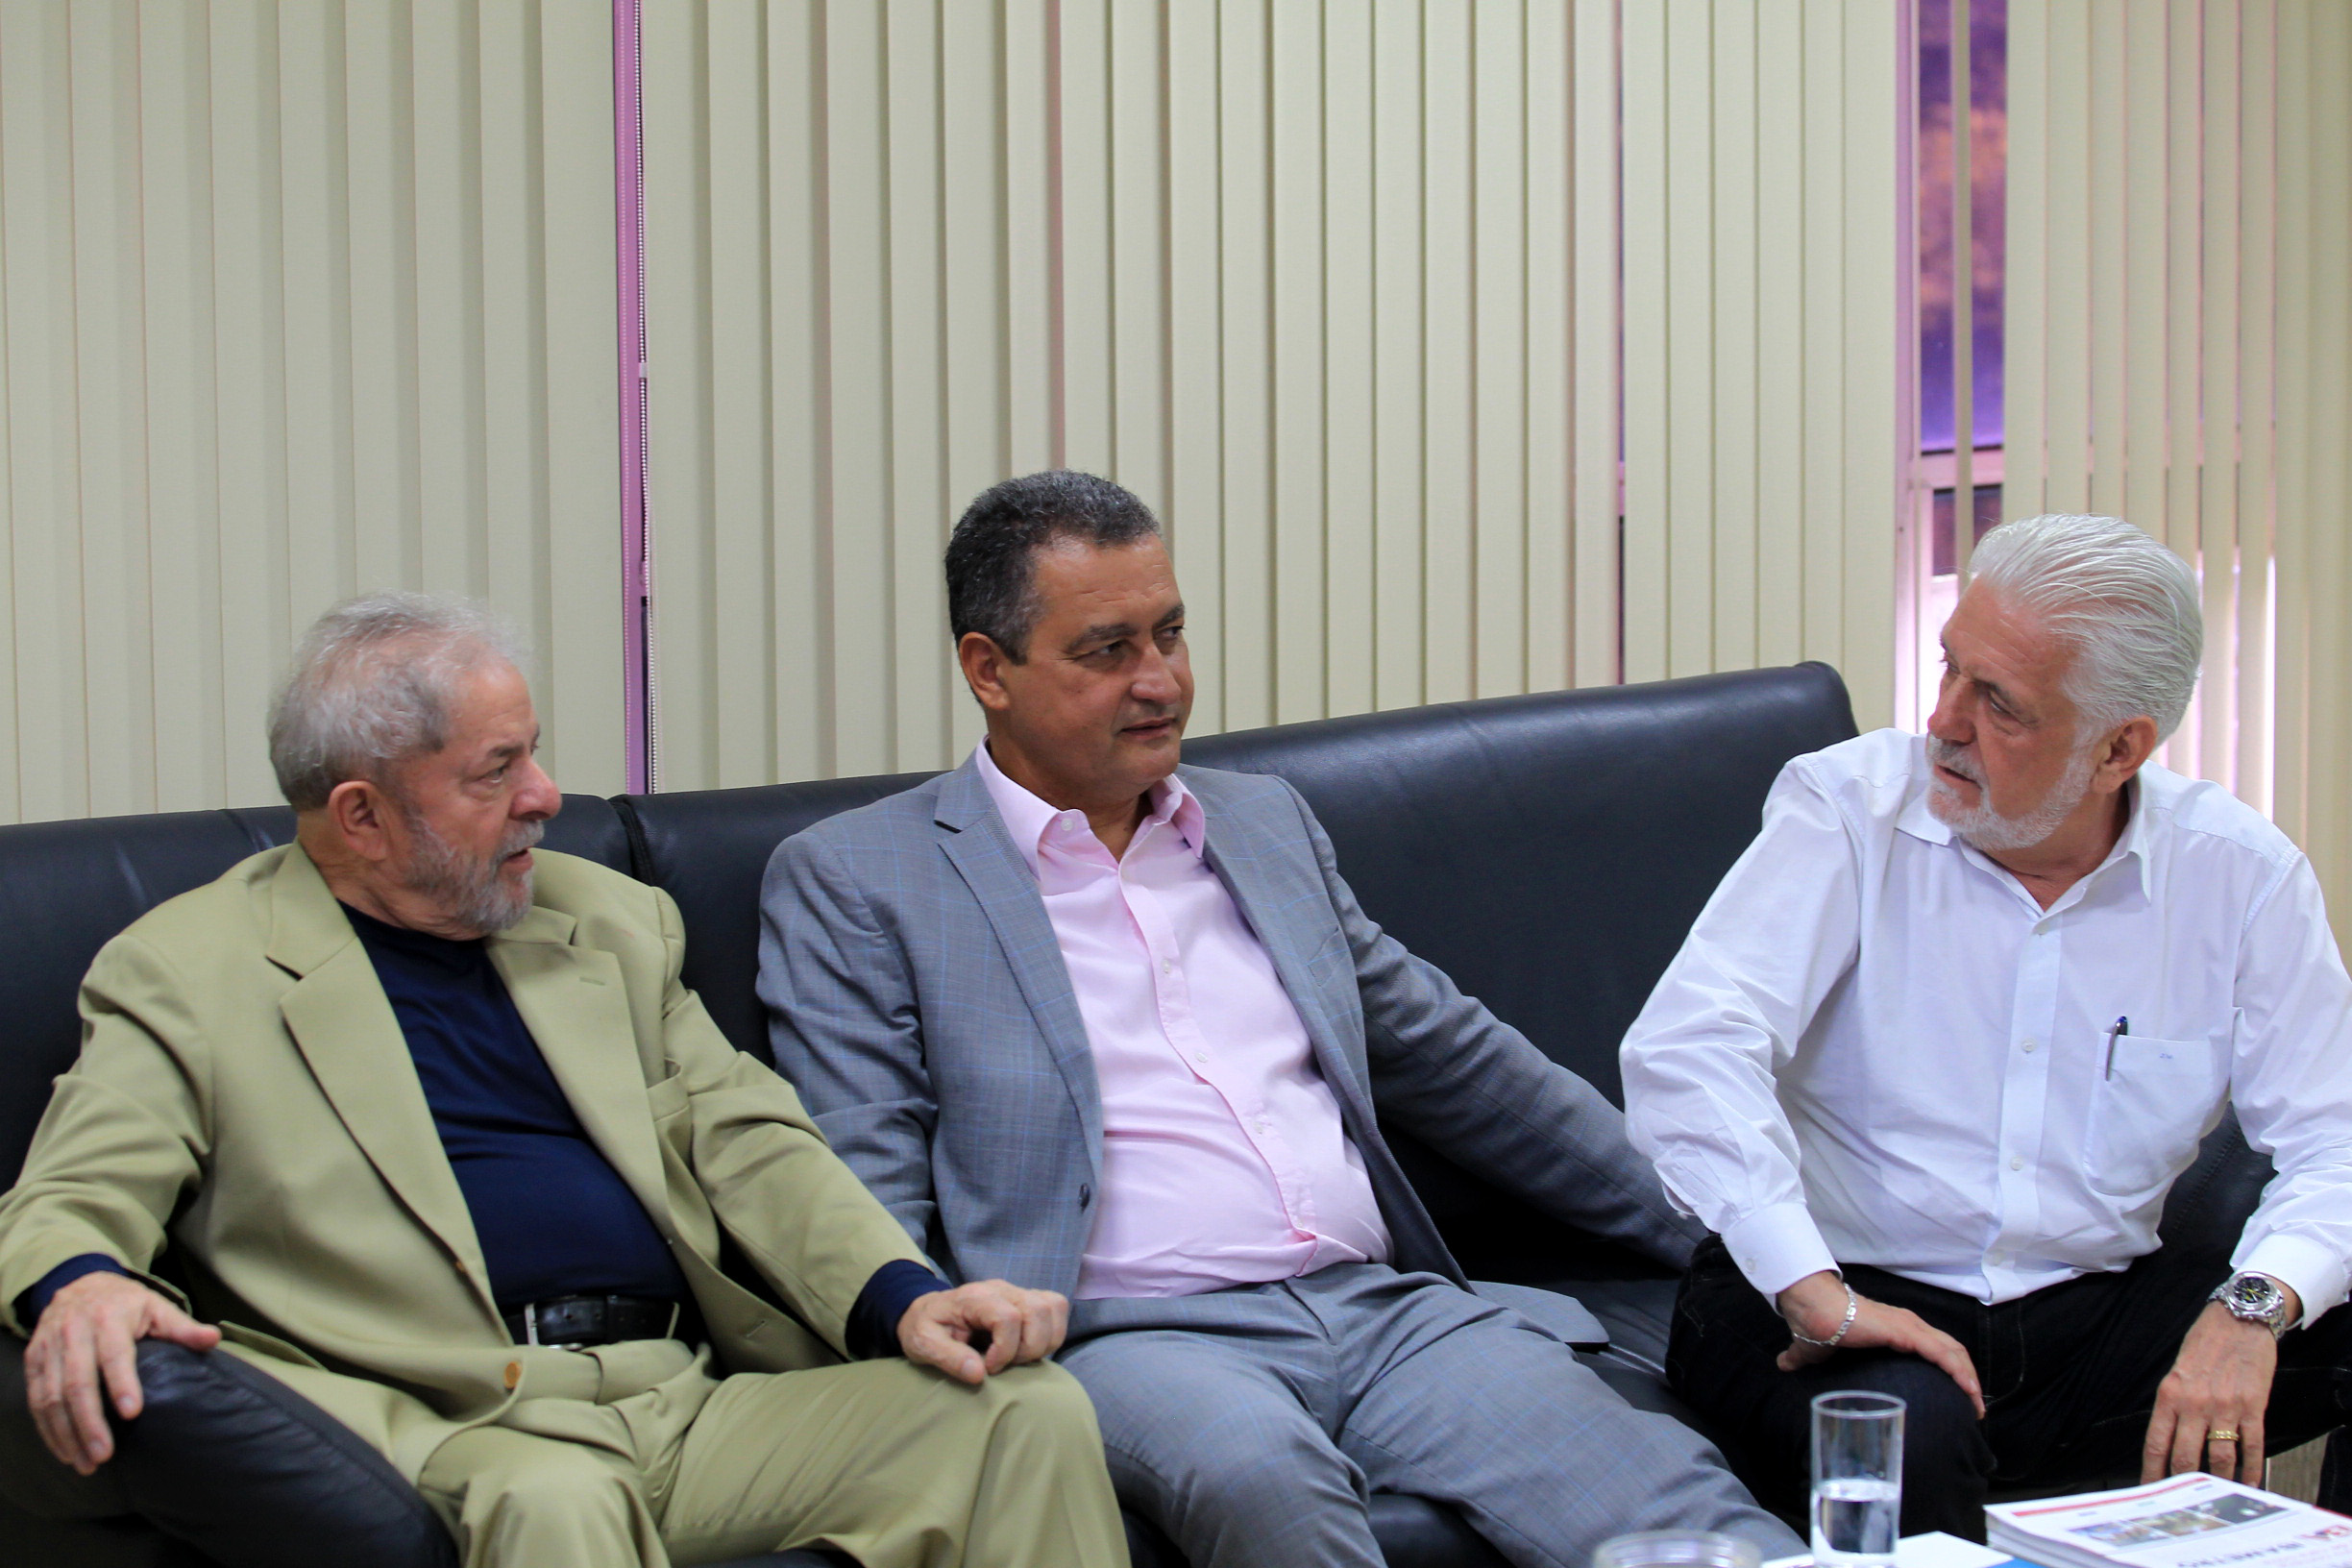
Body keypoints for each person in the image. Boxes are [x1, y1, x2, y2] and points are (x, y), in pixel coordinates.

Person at [758, 470, 1800, 1568]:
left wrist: (1748, 1239)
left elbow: (1456, 1059)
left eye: (1170, 635)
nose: (1160, 681)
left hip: (1383, 1316)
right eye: (1107, 651)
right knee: (1264, 1483)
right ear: (989, 670)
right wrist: (930, 1316)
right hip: (1133, 1338)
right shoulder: (861, 879)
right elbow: (858, 1179)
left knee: (1673, 1501)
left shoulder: (1261, 824)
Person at [0, 594, 1128, 1568]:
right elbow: (70, 1195)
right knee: (557, 1501)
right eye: (496, 771)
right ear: (363, 817)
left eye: (532, 753)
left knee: (1020, 1414)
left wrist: (905, 1298)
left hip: (679, 1401)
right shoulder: (191, 971)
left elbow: (750, 1141)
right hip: (455, 1421)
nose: (544, 794)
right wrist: (81, 1284)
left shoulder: (608, 923)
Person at [1621, 514, 2352, 1537]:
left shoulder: (2239, 875)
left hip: (2094, 1321)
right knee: (1906, 1435)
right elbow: (1690, 1049)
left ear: (2120, 749)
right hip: (1840, 1304)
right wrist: (1810, 1287)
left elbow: (2336, 1136)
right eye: (1949, 668)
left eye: (1998, 702)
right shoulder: (1848, 811)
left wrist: (2252, 1311)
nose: (1944, 721)